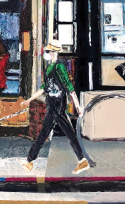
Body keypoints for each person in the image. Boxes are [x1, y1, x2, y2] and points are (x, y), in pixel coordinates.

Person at [19, 40, 89, 175]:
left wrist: (78, 106)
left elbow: (69, 87)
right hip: (52, 102)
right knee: (66, 133)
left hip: (57, 103)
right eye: (48, 51)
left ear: (54, 52)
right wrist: (29, 100)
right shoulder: (50, 67)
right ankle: (82, 160)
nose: (48, 53)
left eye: (50, 51)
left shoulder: (59, 67)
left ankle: (29, 161)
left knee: (45, 133)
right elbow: (44, 87)